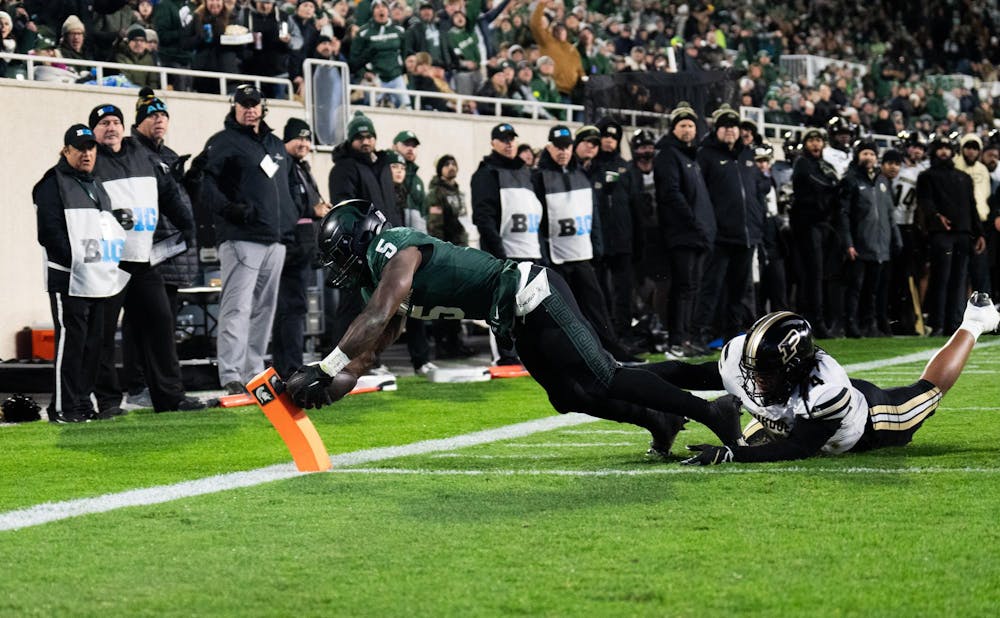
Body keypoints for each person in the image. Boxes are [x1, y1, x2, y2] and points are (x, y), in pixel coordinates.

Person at [284, 200, 745, 458]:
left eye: (339, 252)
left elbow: (378, 316)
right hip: (514, 314)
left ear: (358, 239)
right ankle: (659, 418)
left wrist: (326, 364)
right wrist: (323, 386)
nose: (338, 265)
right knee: (571, 395)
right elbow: (367, 353)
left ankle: (713, 410)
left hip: (530, 291)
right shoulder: (376, 282)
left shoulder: (395, 246)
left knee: (605, 374)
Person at [681, 297, 1000, 465]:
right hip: (802, 408)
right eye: (755, 371)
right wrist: (632, 375)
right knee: (749, 439)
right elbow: (683, 373)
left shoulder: (826, 392)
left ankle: (974, 322)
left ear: (791, 366)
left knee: (927, 392)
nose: (755, 382)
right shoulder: (742, 358)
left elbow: (798, 447)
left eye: (766, 373)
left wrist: (731, 454)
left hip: (874, 419)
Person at [88, 103, 204, 415]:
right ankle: (109, 401)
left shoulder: (142, 155)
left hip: (143, 259)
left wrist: (187, 226)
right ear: (94, 131)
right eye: (103, 124)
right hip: (109, 263)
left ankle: (170, 398)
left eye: (115, 122)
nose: (110, 128)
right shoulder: (91, 161)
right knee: (103, 332)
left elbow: (167, 192)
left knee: (161, 324)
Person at [200, 84, 298, 393]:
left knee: (264, 311)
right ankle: (231, 375)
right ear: (234, 107)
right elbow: (206, 186)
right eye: (243, 104)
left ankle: (254, 371)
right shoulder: (222, 142)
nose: (249, 108)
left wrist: (291, 222)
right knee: (237, 308)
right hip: (241, 238)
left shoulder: (276, 145)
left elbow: (288, 188)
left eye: (254, 103)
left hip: (275, 239)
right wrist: (230, 210)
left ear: (263, 106)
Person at [33, 124, 129, 423]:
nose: (87, 153)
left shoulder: (96, 184)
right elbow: (49, 232)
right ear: (66, 151)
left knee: (93, 345)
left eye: (91, 148)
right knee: (71, 344)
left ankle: (83, 404)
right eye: (80, 148)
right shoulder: (52, 183)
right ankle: (63, 407)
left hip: (97, 279)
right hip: (70, 278)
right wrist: (75, 261)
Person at [325, 111, 401, 351]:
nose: (365, 141)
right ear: (351, 140)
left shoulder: (382, 166)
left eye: (369, 136)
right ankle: (337, 360)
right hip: (358, 251)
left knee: (379, 307)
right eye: (359, 137)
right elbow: (346, 212)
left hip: (385, 246)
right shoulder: (343, 168)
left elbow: (391, 206)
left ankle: (366, 360)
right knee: (353, 307)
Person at [692, 104, 766, 347]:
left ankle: (732, 337)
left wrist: (757, 226)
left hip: (747, 236)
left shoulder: (747, 155)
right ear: (717, 130)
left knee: (738, 290)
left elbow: (754, 193)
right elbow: (700, 196)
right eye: (725, 126)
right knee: (711, 288)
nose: (730, 130)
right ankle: (700, 334)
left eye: (733, 126)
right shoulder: (706, 155)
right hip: (720, 236)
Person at [270, 117, 330, 379]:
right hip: (289, 248)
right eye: (299, 138)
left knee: (295, 308)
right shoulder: (283, 167)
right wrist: (311, 210)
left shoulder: (301, 167)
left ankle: (291, 363)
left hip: (302, 249)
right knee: (290, 309)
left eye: (307, 139)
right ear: (286, 140)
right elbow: (283, 204)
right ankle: (288, 367)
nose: (304, 143)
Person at [654, 103, 715, 358]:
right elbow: (671, 195)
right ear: (674, 129)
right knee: (683, 288)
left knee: (693, 288)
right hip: (683, 234)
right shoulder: (668, 155)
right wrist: (694, 223)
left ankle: (687, 339)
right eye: (683, 125)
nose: (688, 129)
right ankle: (676, 341)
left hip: (697, 235)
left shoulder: (692, 157)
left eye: (691, 125)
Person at [916, 134, 986, 336]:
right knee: (942, 279)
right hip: (941, 234)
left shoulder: (964, 178)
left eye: (947, 148)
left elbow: (972, 207)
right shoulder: (927, 176)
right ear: (934, 151)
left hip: (963, 234)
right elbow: (925, 202)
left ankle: (954, 324)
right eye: (940, 148)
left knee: (959, 280)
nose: (944, 152)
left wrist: (979, 233)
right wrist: (937, 217)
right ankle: (938, 324)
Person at [838, 140, 902, 338]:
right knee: (855, 288)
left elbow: (890, 214)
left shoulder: (883, 181)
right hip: (859, 244)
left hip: (880, 245)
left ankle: (869, 324)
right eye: (865, 153)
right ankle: (851, 325)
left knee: (873, 290)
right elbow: (843, 215)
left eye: (872, 154)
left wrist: (896, 238)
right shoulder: (850, 180)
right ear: (858, 156)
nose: (869, 157)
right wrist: (848, 242)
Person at [790, 127, 842, 338]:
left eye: (818, 140)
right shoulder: (802, 164)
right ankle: (814, 321)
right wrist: (834, 187)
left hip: (823, 225)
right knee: (812, 274)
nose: (815, 144)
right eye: (811, 140)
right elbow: (816, 183)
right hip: (808, 225)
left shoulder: (826, 167)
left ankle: (820, 319)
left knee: (820, 274)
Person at [592, 117, 641, 339]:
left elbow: (636, 206)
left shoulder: (626, 168)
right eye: (606, 136)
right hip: (598, 242)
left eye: (614, 137)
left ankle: (623, 334)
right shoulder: (589, 166)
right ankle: (604, 335)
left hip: (623, 240)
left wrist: (637, 241)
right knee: (600, 291)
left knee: (624, 291)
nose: (609, 140)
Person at [426, 154, 476, 358]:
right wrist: (442, 252)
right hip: (446, 254)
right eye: (446, 164)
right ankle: (442, 345)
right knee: (443, 302)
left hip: (461, 251)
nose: (451, 167)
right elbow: (435, 226)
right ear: (439, 169)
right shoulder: (435, 194)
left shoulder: (459, 193)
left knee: (458, 302)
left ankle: (456, 342)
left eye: (453, 163)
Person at [953, 133, 993, 296]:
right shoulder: (954, 165)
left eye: (975, 148)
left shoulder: (982, 169)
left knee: (980, 272)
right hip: (961, 225)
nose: (971, 152)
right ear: (962, 148)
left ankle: (984, 312)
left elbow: (986, 195)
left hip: (981, 225)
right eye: (968, 147)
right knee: (960, 273)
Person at [350, 0, 408, 108]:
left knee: (407, 107)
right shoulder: (363, 32)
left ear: (388, 11)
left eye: (384, 7)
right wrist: (364, 73)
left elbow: (405, 54)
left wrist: (403, 71)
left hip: (396, 76)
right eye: (377, 7)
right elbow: (354, 59)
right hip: (375, 77)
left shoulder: (399, 30)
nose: (381, 9)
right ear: (372, 12)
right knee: (376, 107)